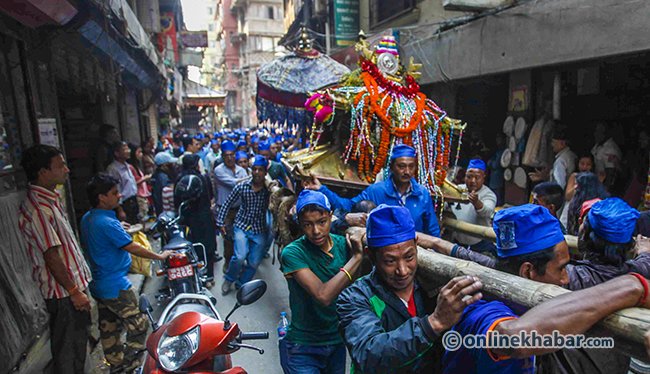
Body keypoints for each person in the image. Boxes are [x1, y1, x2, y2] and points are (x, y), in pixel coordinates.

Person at [430, 204, 650, 374]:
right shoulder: (483, 310)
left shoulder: (529, 300)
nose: (566, 279)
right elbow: (512, 338)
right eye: (562, 268)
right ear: (528, 272)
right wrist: (632, 286)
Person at [336, 205, 483, 373]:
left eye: (409, 257)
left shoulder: (433, 286)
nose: (403, 270)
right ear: (371, 255)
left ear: (416, 245)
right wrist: (433, 324)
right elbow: (368, 354)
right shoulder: (355, 296)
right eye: (390, 261)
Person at [81, 174, 172, 372]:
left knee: (109, 327)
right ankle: (130, 365)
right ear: (102, 197)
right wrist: (159, 256)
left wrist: (118, 228)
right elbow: (132, 247)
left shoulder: (89, 218)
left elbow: (105, 237)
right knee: (139, 325)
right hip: (116, 285)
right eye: (114, 193)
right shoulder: (107, 223)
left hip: (98, 283)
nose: (119, 195)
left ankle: (115, 365)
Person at [19, 145, 93, 374]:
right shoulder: (39, 209)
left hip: (71, 291)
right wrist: (73, 290)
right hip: (63, 294)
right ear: (43, 172)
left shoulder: (51, 201)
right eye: (60, 166)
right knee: (68, 353)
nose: (67, 170)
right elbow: (51, 256)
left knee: (78, 347)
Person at [279, 190, 364, 374]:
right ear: (300, 224)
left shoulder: (343, 245)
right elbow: (323, 295)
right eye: (308, 224)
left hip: (336, 343)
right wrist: (357, 258)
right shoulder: (293, 253)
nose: (316, 231)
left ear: (330, 217)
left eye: (321, 222)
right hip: (302, 346)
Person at [304, 144, 441, 237]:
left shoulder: (422, 194)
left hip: (416, 252)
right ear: (392, 167)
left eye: (411, 167)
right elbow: (348, 206)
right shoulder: (376, 191)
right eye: (401, 166)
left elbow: (433, 229)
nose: (407, 171)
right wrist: (322, 189)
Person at [217, 155, 270, 294]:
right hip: (241, 225)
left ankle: (242, 283)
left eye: (260, 170)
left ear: (265, 172)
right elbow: (227, 203)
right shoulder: (242, 187)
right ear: (251, 171)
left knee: (253, 262)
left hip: (259, 229)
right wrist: (220, 221)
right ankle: (229, 279)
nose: (257, 173)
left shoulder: (269, 190)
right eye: (254, 169)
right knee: (240, 256)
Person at [176, 154, 219, 285]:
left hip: (187, 219)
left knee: (191, 247)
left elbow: (176, 200)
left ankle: (195, 276)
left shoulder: (179, 179)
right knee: (208, 247)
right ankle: (209, 276)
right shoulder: (203, 178)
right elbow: (210, 195)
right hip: (204, 218)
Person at [449, 159, 497, 255]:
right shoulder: (458, 189)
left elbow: (487, 212)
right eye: (469, 177)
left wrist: (476, 202)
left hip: (479, 245)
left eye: (477, 177)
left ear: (483, 177)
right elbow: (447, 206)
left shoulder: (488, 194)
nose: (473, 181)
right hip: (457, 242)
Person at [214, 140, 249, 272]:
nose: (229, 157)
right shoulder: (219, 170)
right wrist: (248, 178)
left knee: (243, 235)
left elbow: (247, 187)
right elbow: (234, 183)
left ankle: (240, 260)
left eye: (232, 154)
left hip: (240, 209)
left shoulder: (241, 170)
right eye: (226, 155)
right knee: (228, 237)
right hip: (226, 210)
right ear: (222, 156)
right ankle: (228, 261)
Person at [529, 124, 577, 190]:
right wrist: (545, 177)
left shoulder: (561, 160)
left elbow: (559, 185)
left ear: (562, 143)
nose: (552, 145)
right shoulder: (571, 155)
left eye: (554, 142)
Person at [106, 141, 139, 224]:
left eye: (128, 148)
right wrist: (120, 210)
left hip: (133, 201)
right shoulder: (113, 169)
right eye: (125, 149)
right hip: (124, 204)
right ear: (117, 153)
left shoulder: (127, 166)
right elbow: (116, 190)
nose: (128, 151)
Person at [591, 121, 622, 190]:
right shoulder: (598, 145)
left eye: (599, 131)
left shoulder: (611, 149)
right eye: (596, 131)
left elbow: (611, 174)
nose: (596, 134)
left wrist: (604, 191)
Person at [127, 143, 152, 222]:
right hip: (138, 195)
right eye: (139, 152)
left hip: (142, 195)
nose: (141, 154)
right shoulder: (130, 167)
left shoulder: (136, 165)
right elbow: (134, 182)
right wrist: (145, 178)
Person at [151, 152, 178, 216]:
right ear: (164, 166)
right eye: (170, 164)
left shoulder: (155, 175)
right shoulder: (163, 178)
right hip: (165, 211)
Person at [487, 134, 507, 205]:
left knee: (498, 199)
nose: (498, 141)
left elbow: (495, 165)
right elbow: (489, 163)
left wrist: (491, 162)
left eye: (499, 139)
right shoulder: (497, 151)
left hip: (498, 178)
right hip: (493, 178)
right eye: (497, 139)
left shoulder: (502, 152)